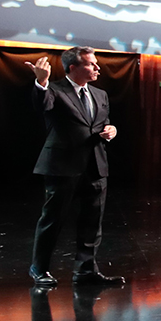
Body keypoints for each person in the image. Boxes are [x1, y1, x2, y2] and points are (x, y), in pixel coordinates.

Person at [28, 49, 123, 287]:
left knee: (92, 222)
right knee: (53, 220)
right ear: (73, 68)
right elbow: (41, 105)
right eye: (91, 64)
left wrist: (111, 130)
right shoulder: (54, 90)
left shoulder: (100, 94)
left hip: (95, 166)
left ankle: (85, 271)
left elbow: (101, 122)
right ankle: (39, 269)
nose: (98, 68)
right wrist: (41, 82)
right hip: (62, 166)